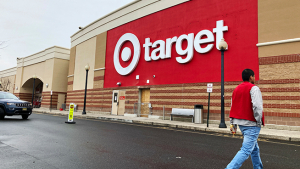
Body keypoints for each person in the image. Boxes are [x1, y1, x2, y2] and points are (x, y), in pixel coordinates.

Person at [226, 69, 264, 169]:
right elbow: (257, 106)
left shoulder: (236, 89)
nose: (255, 79)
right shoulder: (254, 88)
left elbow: (232, 106)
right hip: (252, 124)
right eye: (254, 76)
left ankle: (258, 167)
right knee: (246, 150)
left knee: (254, 148)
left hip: (240, 124)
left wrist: (232, 125)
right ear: (251, 77)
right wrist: (259, 121)